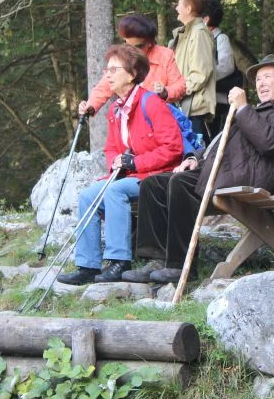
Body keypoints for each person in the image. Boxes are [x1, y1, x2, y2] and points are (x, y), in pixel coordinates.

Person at [123, 55, 274, 284]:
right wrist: (195, 159)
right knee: (154, 184)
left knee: (180, 185)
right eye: (258, 79)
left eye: (267, 77)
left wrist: (243, 108)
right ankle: (155, 258)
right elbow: (221, 144)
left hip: (248, 180)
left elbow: (268, 143)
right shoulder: (256, 113)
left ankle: (181, 266)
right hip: (224, 173)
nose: (260, 84)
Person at [57, 45, 183, 285]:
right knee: (87, 196)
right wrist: (116, 163)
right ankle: (88, 265)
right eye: (107, 70)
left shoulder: (152, 103)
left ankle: (118, 261)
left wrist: (136, 161)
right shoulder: (117, 109)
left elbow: (173, 148)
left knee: (115, 191)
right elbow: (111, 148)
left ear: (133, 73)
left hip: (156, 176)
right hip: (130, 174)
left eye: (114, 70)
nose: (108, 75)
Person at [79, 14, 186, 117]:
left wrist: (165, 92)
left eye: (138, 46)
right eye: (128, 45)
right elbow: (104, 87)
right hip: (130, 118)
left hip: (159, 117)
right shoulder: (121, 57)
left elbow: (180, 86)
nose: (132, 51)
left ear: (150, 42)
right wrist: (90, 107)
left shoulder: (165, 56)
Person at [170, 0, 216, 143]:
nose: (176, 8)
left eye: (179, 5)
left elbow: (200, 74)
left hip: (194, 109)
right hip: (184, 107)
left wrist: (177, 91)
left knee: (197, 158)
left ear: (188, 9)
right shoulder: (184, 34)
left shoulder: (199, 33)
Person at [202, 0, 239, 134]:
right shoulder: (203, 39)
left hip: (219, 101)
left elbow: (226, 67)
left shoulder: (220, 38)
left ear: (206, 19)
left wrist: (203, 78)